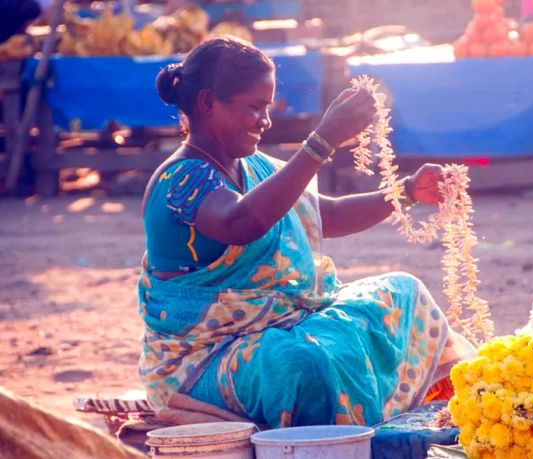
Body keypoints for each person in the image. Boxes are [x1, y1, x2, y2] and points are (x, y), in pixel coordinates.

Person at [138, 35, 476, 429]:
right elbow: (240, 222)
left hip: (279, 327)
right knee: (301, 365)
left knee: (403, 294)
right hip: (204, 358)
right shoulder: (181, 178)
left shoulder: (253, 166)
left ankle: (425, 418)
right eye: (254, 107)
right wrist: (321, 142)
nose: (265, 121)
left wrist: (405, 191)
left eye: (267, 108)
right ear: (207, 102)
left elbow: (324, 215)